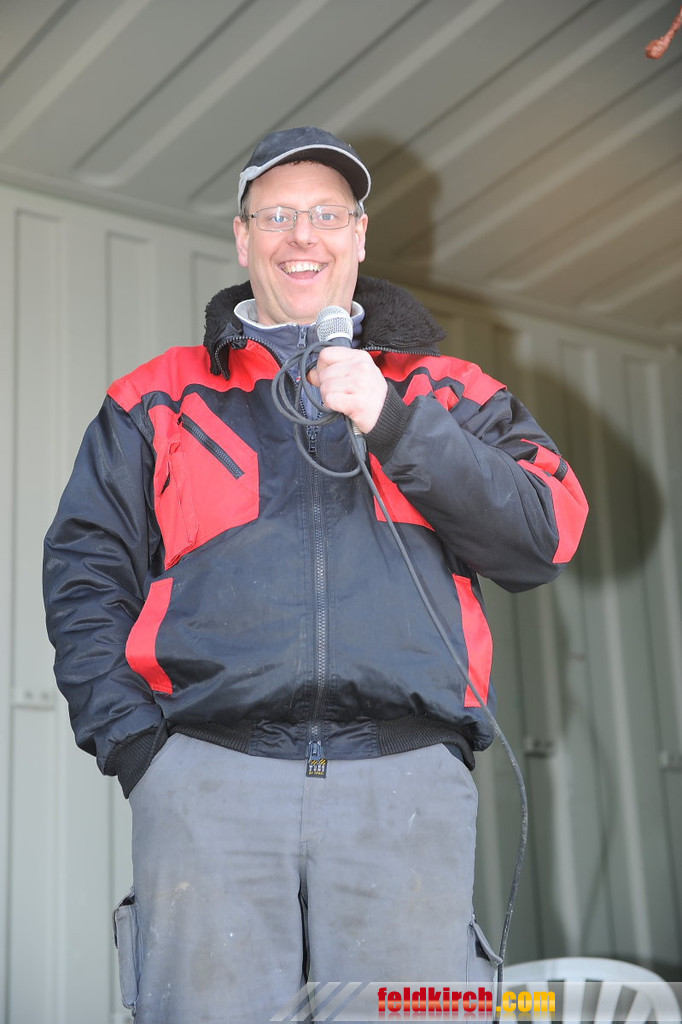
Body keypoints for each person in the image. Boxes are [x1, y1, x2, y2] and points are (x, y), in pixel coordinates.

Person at [43, 126, 588, 1023]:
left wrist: (396, 422)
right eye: (278, 215)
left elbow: (545, 534)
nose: (304, 235)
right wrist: (141, 752)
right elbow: (83, 576)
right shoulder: (158, 397)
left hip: (404, 786)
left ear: (360, 236)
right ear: (242, 237)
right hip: (208, 785)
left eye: (328, 215)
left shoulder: (447, 390)